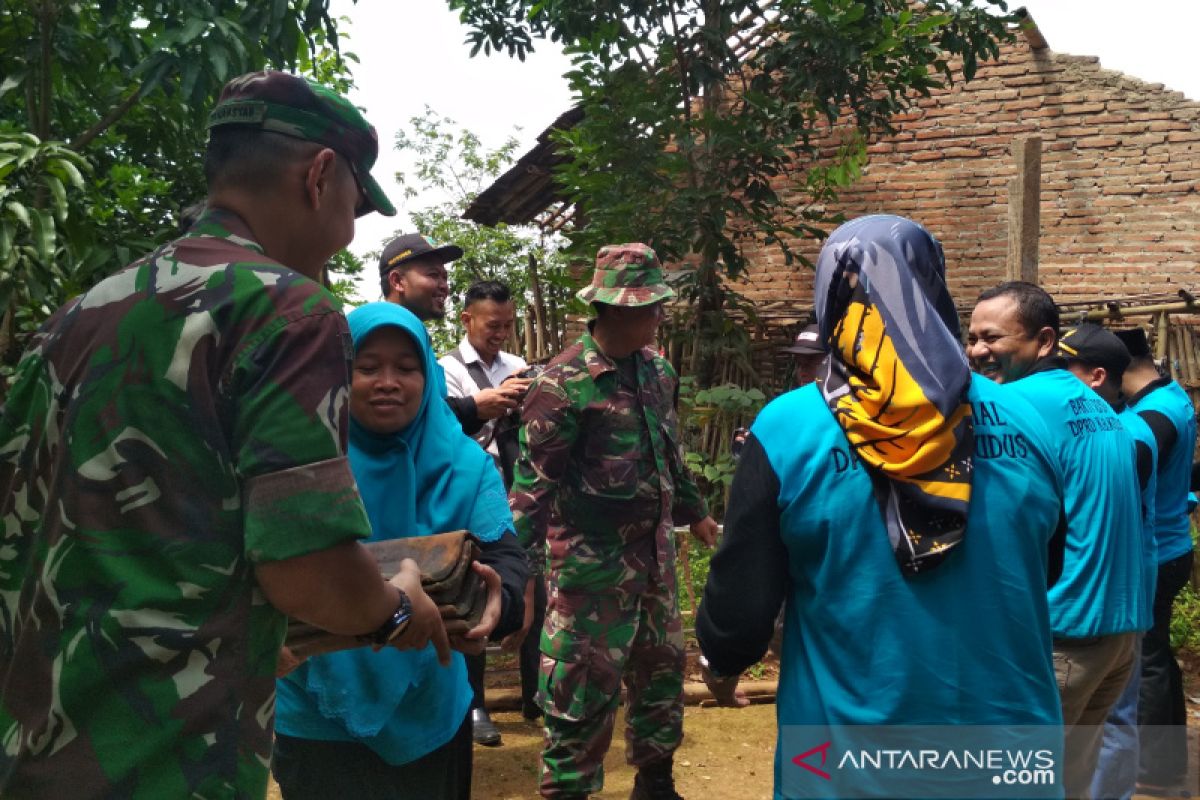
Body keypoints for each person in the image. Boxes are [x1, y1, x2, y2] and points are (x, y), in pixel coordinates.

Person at [0, 71, 451, 798]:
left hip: (35, 745)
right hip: (167, 758)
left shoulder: (75, 318)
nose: (345, 233)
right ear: (321, 175)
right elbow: (307, 571)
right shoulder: (287, 311)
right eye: (354, 208)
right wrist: (397, 606)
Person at [697, 215, 1066, 799]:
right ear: (934, 288)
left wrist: (723, 658)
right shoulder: (1028, 420)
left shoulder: (790, 428)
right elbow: (1044, 568)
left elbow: (745, 588)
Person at [272, 302, 528, 800]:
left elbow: (506, 559)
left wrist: (501, 603)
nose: (387, 381)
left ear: (428, 377)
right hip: (315, 709)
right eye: (366, 368)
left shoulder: (466, 466)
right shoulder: (299, 464)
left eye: (406, 368)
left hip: (432, 704)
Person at [511, 243, 719, 800]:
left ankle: (656, 784)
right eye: (651, 306)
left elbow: (669, 454)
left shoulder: (657, 371)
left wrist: (696, 513)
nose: (659, 315)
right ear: (616, 309)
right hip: (589, 572)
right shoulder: (561, 385)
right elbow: (532, 492)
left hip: (654, 562)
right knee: (580, 693)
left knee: (661, 679)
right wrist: (516, 580)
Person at [968, 282, 1144, 800]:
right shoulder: (1095, 406)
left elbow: (1000, 525)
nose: (978, 350)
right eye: (972, 337)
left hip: (1059, 637)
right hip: (1115, 637)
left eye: (993, 338)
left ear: (1045, 342)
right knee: (1065, 786)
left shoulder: (1012, 406)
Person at [1054, 325, 1157, 800]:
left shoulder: (1128, 434)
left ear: (1096, 377)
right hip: (1120, 613)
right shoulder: (1120, 428)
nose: (1050, 378)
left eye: (1061, 368)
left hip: (1087, 620)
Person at [439, 279, 541, 745]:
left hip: (516, 492)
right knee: (472, 593)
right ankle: (476, 703)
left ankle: (534, 695)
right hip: (469, 495)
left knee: (527, 585)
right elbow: (445, 431)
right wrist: (484, 407)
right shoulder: (447, 370)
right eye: (492, 324)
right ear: (467, 319)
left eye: (507, 324)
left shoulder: (517, 365)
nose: (501, 332)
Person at [1114, 327, 1198, 796]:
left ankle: (1153, 770)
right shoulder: (1173, 394)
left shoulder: (1153, 416)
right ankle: (1165, 767)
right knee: (1158, 658)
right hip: (1173, 544)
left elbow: (1130, 473)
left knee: (1143, 663)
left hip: (1157, 549)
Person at [379, 233, 528, 436]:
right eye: (433, 275)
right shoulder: (386, 335)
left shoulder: (420, 342)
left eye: (445, 277)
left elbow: (430, 415)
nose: (444, 286)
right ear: (397, 281)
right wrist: (473, 407)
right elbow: (407, 426)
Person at [780, 322, 826, 388]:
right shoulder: (794, 397)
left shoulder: (841, 397)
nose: (803, 373)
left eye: (811, 363)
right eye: (799, 364)